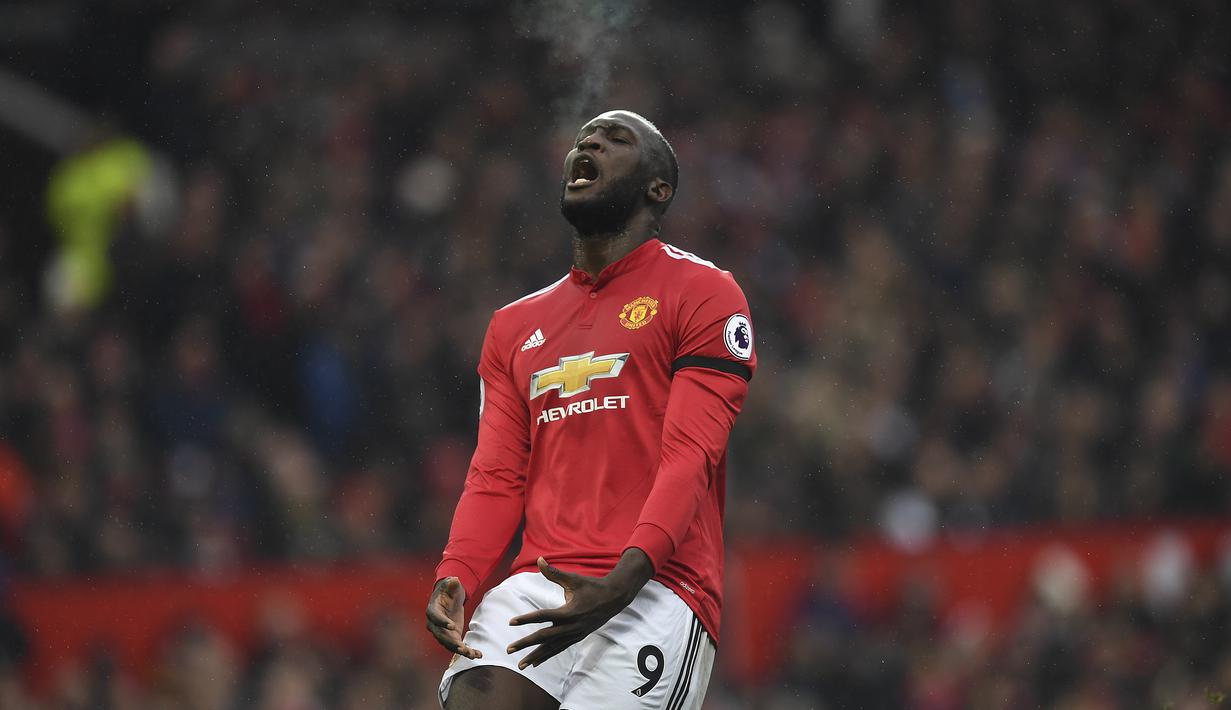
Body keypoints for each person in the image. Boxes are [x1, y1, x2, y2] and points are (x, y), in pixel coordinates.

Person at [425, 110, 756, 710]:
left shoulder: (705, 293)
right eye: (585, 139)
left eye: (616, 139)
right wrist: (460, 573)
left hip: (658, 585)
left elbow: (690, 457)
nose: (592, 143)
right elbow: (497, 476)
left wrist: (624, 580)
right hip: (539, 583)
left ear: (659, 189)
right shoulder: (513, 327)